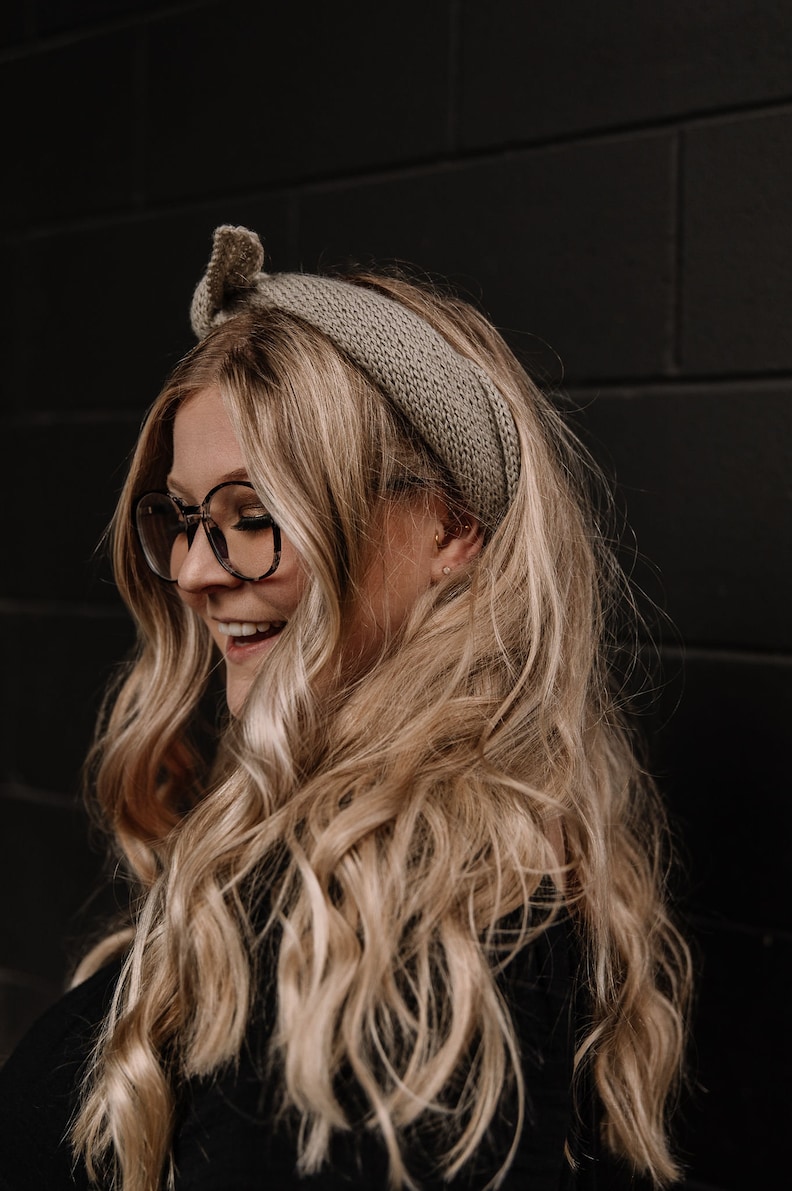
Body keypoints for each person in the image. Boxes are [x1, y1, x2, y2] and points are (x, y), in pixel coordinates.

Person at [0, 225, 691, 1191]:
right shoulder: (427, 855)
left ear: (452, 527)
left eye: (256, 517)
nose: (196, 571)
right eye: (185, 519)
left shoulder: (382, 926)